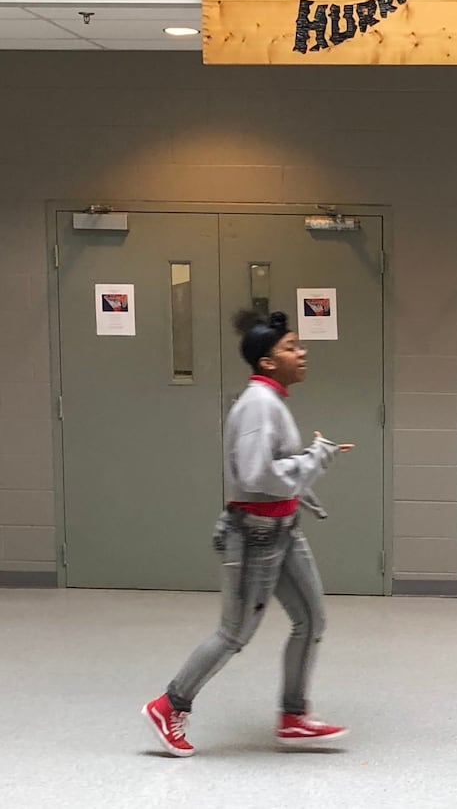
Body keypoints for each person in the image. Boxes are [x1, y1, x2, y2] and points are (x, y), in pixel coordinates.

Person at [142, 310, 353, 758]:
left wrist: (307, 477)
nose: (302, 352)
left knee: (311, 620)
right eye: (291, 347)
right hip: (255, 537)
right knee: (233, 634)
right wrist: (316, 457)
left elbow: (275, 474)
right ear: (268, 361)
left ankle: (294, 718)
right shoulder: (259, 404)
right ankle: (169, 705)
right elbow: (259, 476)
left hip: (283, 530)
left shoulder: (272, 401)